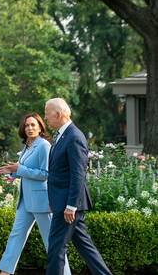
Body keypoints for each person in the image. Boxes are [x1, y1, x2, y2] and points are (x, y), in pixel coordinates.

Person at [0, 113, 70, 275]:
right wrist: (12, 171)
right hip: (25, 201)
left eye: (33, 125)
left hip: (42, 201)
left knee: (52, 243)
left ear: (40, 127)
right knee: (15, 237)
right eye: (27, 125)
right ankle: (5, 273)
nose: (29, 128)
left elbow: (45, 173)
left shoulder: (44, 145)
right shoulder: (28, 146)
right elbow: (25, 171)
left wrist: (19, 169)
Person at [44, 98, 112, 275]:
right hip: (63, 203)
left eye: (47, 114)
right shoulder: (63, 136)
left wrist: (71, 205)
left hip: (68, 205)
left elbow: (78, 174)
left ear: (58, 114)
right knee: (86, 248)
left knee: (55, 250)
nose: (45, 118)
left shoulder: (74, 137)